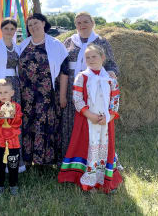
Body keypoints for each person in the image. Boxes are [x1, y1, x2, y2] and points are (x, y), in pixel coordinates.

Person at [58, 44, 122, 193]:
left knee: (104, 148)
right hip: (87, 120)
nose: (91, 60)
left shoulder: (110, 79)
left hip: (106, 122)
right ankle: (88, 180)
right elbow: (77, 99)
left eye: (94, 56)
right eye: (88, 57)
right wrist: (90, 115)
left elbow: (115, 99)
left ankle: (103, 178)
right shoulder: (82, 77)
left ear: (103, 58)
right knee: (87, 146)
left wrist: (109, 116)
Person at [59, 12, 119, 164]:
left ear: (92, 23)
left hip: (95, 89)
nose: (82, 25)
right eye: (78, 23)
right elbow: (63, 67)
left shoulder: (102, 42)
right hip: (72, 85)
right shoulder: (68, 42)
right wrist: (62, 94)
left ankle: (95, 159)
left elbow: (111, 64)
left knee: (92, 123)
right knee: (71, 122)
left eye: (85, 21)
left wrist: (111, 72)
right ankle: (71, 158)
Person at [18, 13, 69, 167]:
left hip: (47, 95)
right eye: (30, 25)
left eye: (36, 23)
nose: (33, 27)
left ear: (43, 23)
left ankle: (45, 161)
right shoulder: (23, 44)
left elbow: (64, 71)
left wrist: (62, 97)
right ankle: (27, 159)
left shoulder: (56, 44)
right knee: (28, 124)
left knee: (45, 125)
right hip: (26, 95)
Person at [0, 18, 25, 173]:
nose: (9, 31)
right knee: (2, 123)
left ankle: (13, 161)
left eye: (12, 29)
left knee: (13, 123)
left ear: (15, 31)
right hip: (0, 89)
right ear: (1, 30)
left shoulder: (17, 48)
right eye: (6, 28)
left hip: (14, 89)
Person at [0, 79, 22, 196]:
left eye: (6, 92)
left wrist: (10, 113)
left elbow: (17, 123)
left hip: (13, 141)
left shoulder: (16, 106)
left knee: (13, 164)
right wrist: (0, 115)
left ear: (12, 93)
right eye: (0, 93)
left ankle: (13, 185)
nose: (3, 95)